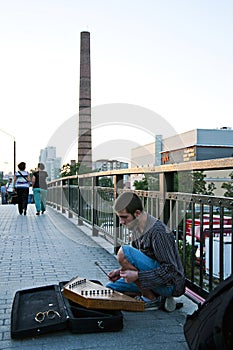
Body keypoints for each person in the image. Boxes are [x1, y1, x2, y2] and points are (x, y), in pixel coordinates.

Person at [106, 192, 185, 312]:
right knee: (111, 288)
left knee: (123, 251)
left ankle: (150, 300)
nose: (121, 222)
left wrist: (137, 276)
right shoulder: (136, 227)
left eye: (124, 217)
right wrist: (121, 271)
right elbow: (138, 261)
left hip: (170, 284)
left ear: (137, 213)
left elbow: (170, 269)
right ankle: (159, 298)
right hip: (151, 279)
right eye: (119, 217)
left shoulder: (158, 232)